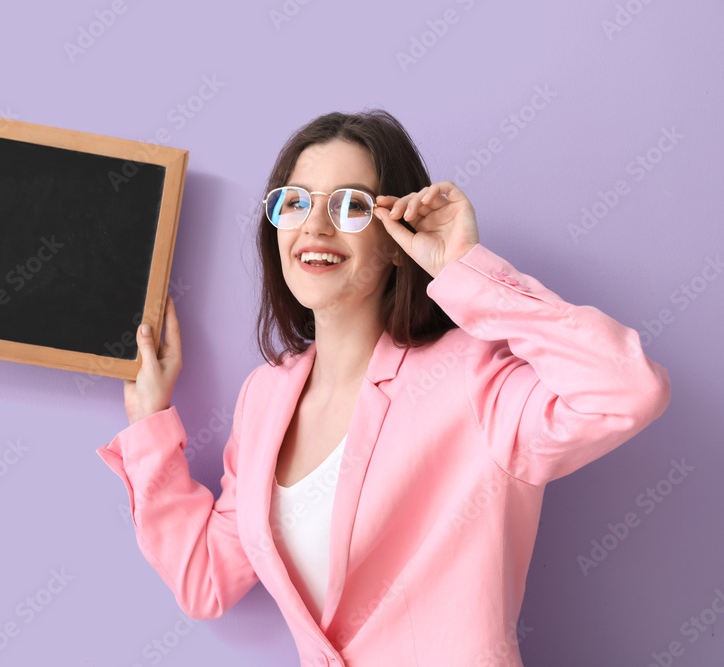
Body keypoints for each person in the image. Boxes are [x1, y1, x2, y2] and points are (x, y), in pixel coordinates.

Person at [95, 109, 671, 666]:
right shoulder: (263, 397)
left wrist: (464, 269)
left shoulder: (470, 378)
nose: (314, 226)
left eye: (350, 205)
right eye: (295, 202)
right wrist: (149, 422)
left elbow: (627, 389)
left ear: (397, 239)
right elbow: (205, 581)